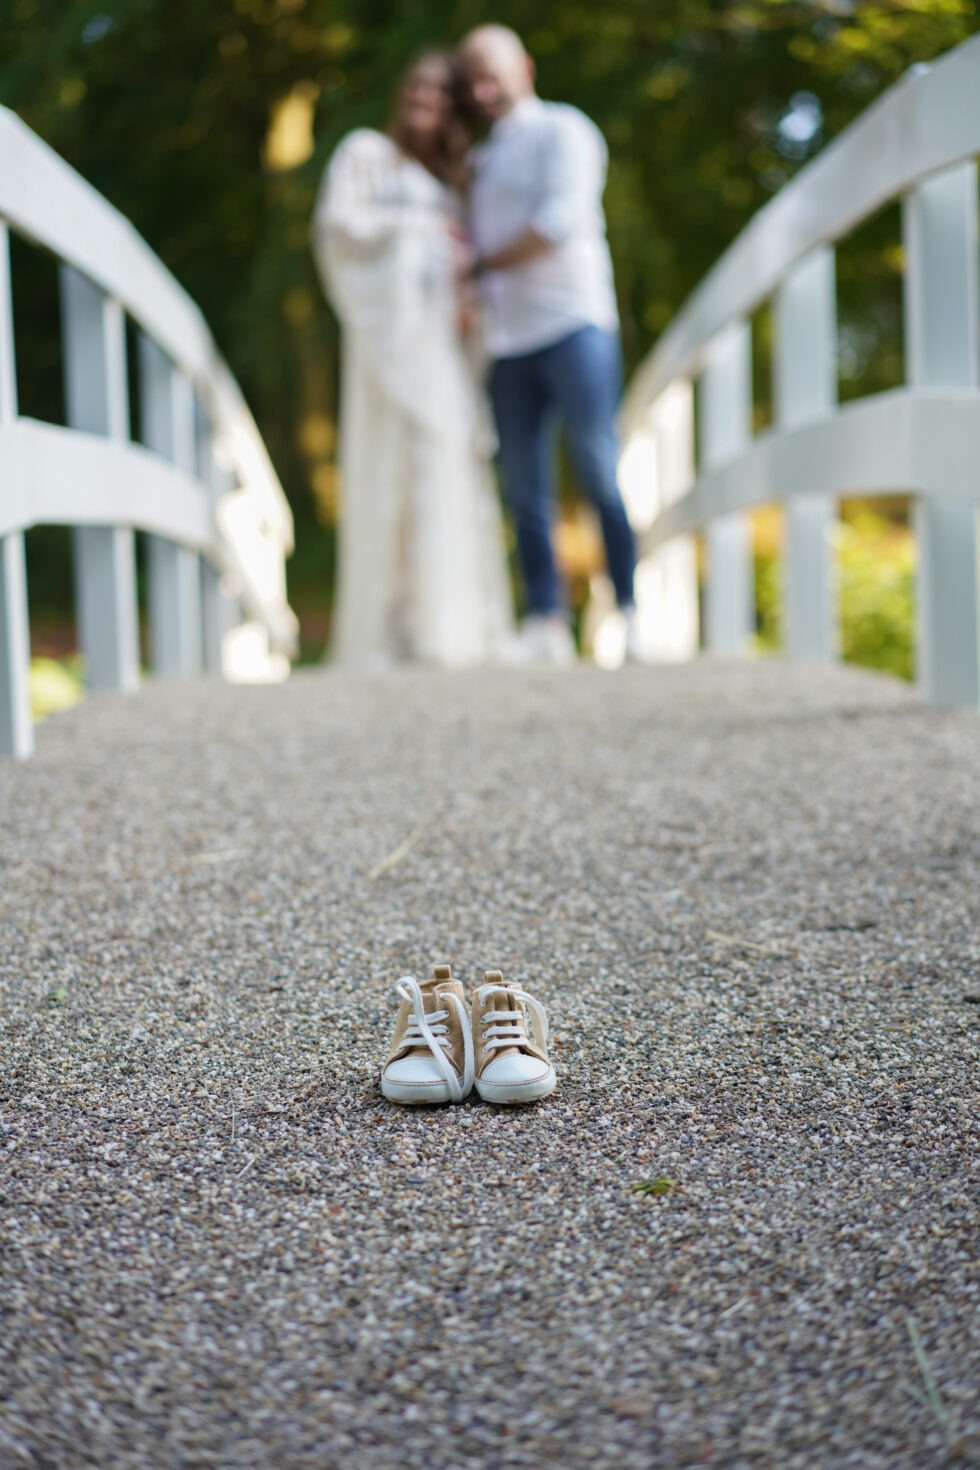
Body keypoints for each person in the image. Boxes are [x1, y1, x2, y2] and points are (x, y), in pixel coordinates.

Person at [311, 52, 512, 669]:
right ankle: (389, 628)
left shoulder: (458, 182)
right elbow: (337, 232)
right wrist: (417, 234)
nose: (425, 96)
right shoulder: (365, 154)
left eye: (440, 89)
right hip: (389, 345)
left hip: (443, 351)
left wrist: (465, 290)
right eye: (418, 83)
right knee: (390, 471)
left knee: (444, 470)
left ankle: (446, 626)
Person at [458, 25, 640, 666]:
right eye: (473, 78)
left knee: (596, 468)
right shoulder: (477, 162)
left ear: (525, 67)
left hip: (574, 324)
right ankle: (546, 619)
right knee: (523, 486)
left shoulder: (566, 131)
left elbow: (557, 226)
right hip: (507, 342)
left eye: (492, 74)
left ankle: (628, 610)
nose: (483, 89)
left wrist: (479, 265)